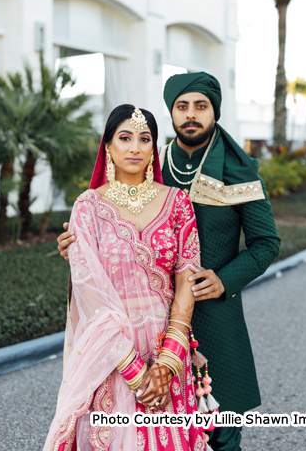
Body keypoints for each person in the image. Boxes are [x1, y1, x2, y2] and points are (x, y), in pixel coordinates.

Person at [58, 72, 281, 451]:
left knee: (221, 432)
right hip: (143, 324)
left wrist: (225, 279)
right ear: (172, 113)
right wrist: (80, 248)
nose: (191, 115)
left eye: (200, 106)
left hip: (212, 316)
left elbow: (266, 243)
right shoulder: (151, 159)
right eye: (182, 106)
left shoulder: (240, 172)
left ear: (215, 112)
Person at [44, 104, 207, 451]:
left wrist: (166, 364)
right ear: (108, 147)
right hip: (112, 352)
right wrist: (136, 372)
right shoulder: (88, 207)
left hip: (167, 345)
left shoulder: (178, 203)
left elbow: (186, 282)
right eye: (125, 137)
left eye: (144, 139)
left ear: (153, 149)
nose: (135, 147)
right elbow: (90, 295)